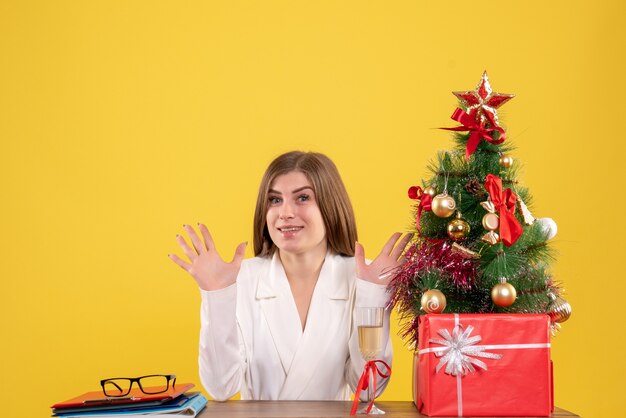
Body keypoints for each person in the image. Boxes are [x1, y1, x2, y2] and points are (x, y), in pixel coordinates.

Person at [169, 151, 411, 401]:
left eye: (303, 198)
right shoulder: (241, 278)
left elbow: (368, 388)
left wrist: (373, 297)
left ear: (331, 206)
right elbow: (221, 388)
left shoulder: (362, 278)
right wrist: (217, 295)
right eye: (274, 200)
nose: (285, 213)